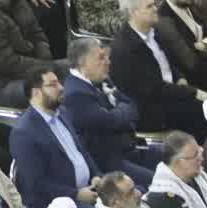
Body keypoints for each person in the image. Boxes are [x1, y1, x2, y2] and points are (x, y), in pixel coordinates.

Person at [110, 0, 207, 137]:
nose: (155, 9)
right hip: (150, 110)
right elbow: (153, 88)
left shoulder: (154, 33)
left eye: (154, 4)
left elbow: (170, 64)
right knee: (206, 112)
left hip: (170, 95)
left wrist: (180, 78)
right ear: (134, 12)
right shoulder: (125, 48)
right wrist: (192, 92)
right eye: (149, 6)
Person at [61, 36, 156, 188]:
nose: (108, 62)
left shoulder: (100, 78)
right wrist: (122, 112)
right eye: (101, 57)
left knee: (175, 156)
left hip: (129, 150)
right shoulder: (75, 94)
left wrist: (119, 113)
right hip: (108, 164)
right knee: (159, 181)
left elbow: (132, 107)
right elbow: (112, 121)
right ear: (83, 62)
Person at [11, 64, 103, 208]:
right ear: (37, 93)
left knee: (131, 199)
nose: (61, 88)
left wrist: (95, 175)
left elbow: (81, 151)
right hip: (57, 205)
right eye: (53, 84)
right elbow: (37, 184)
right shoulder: (23, 133)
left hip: (87, 191)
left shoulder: (63, 114)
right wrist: (76, 194)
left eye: (59, 82)